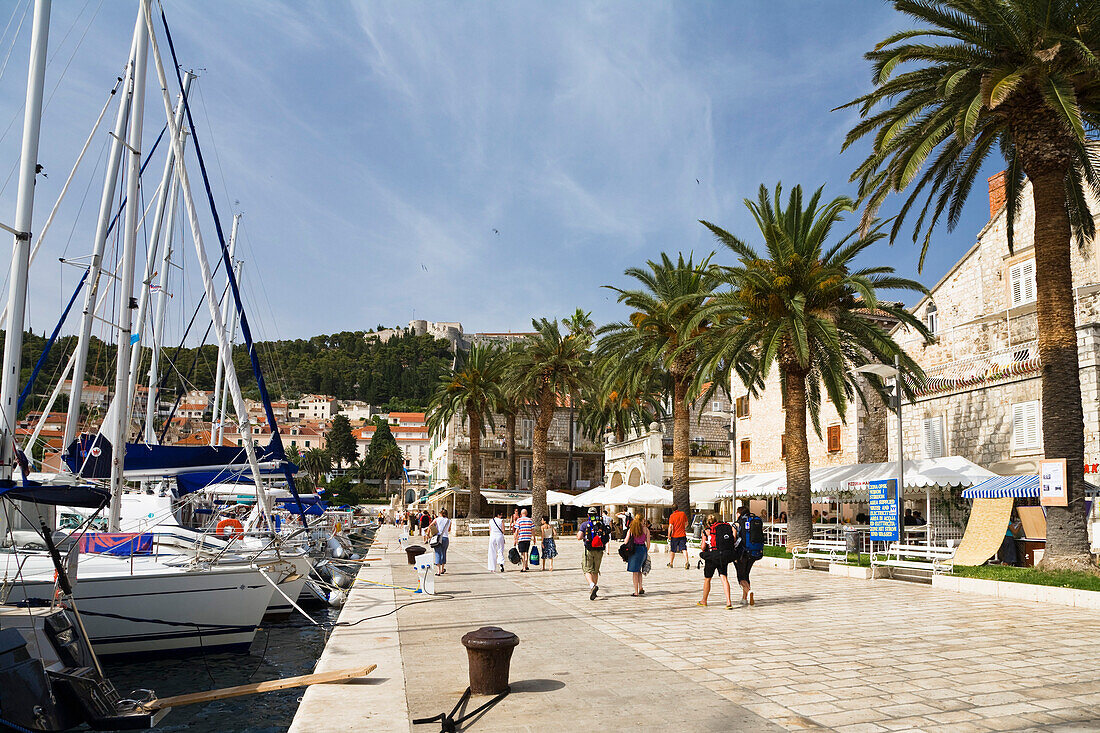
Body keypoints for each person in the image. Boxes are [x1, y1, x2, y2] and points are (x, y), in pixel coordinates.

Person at [697, 514, 733, 609]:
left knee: (707, 579)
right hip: (722, 556)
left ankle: (704, 600)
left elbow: (703, 547)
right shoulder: (721, 529)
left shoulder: (706, 531)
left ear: (707, 522)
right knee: (724, 578)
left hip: (711, 556)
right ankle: (728, 601)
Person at [578, 507, 609, 600]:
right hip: (599, 550)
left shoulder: (585, 524)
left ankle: (592, 586)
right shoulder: (601, 524)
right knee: (595, 570)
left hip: (589, 549)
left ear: (588, 515)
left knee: (587, 569)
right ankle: (594, 588)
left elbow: (579, 537)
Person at [733, 505, 759, 606]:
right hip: (753, 552)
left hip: (741, 553)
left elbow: (734, 538)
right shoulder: (753, 521)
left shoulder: (737, 524)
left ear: (739, 514)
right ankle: (744, 599)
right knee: (746, 574)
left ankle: (748, 590)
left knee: (741, 577)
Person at [625, 514, 650, 596]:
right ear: (642, 520)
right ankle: (640, 587)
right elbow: (648, 543)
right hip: (643, 550)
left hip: (634, 550)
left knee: (635, 572)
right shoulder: (646, 530)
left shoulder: (631, 529)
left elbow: (626, 541)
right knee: (639, 570)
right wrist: (646, 551)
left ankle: (636, 592)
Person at [666, 505, 690, 570]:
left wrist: (669, 535)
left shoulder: (672, 516)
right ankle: (687, 561)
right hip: (682, 534)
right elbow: (687, 523)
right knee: (684, 549)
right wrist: (683, 528)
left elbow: (670, 526)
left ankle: (671, 563)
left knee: (673, 550)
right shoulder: (683, 514)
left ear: (672, 509)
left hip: (675, 535)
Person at [432, 509, 452, 575]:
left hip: (438, 538)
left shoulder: (437, 519)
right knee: (443, 553)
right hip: (445, 538)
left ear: (440, 513)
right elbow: (449, 530)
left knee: (437, 553)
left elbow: (431, 525)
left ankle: (438, 571)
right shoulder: (449, 521)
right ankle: (442, 569)